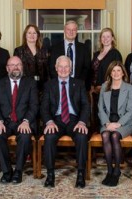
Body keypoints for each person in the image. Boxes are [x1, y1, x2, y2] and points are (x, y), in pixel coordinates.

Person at [41, 55, 90, 188]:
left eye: (66, 66)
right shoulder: (49, 85)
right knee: (49, 137)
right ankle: (50, 175)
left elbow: (86, 105)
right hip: (56, 120)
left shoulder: (79, 83)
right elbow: (44, 107)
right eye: (60, 67)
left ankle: (80, 174)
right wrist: (49, 121)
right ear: (56, 68)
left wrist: (82, 122)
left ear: (71, 68)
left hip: (74, 120)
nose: (63, 69)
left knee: (81, 136)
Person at [0, 56, 39, 184]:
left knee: (25, 136)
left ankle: (18, 170)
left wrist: (26, 121)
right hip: (5, 122)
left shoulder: (30, 83)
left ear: (22, 67)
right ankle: (7, 171)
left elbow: (34, 105)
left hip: (23, 121)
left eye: (18, 65)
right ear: (7, 68)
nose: (16, 67)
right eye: (12, 65)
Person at [97, 61, 132, 186]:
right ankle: (109, 170)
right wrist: (107, 123)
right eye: (113, 70)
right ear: (110, 73)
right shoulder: (104, 86)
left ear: (123, 73)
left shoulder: (129, 88)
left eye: (119, 70)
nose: (116, 73)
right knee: (105, 135)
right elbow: (100, 108)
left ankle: (117, 170)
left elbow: (130, 110)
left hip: (124, 124)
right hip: (107, 122)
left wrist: (118, 124)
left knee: (114, 136)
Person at [49, 20, 91, 90]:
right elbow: (52, 68)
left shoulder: (84, 48)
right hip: (59, 86)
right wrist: (60, 81)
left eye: (73, 30)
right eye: (68, 29)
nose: (71, 32)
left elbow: (87, 68)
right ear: (64, 31)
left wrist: (78, 83)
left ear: (76, 31)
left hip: (79, 86)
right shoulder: (55, 48)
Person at [13, 24, 48, 91]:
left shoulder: (44, 51)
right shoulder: (18, 51)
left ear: (37, 35)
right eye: (29, 33)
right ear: (25, 35)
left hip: (42, 87)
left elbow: (47, 71)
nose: (32, 35)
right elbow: (15, 71)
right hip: (24, 87)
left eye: (34, 33)